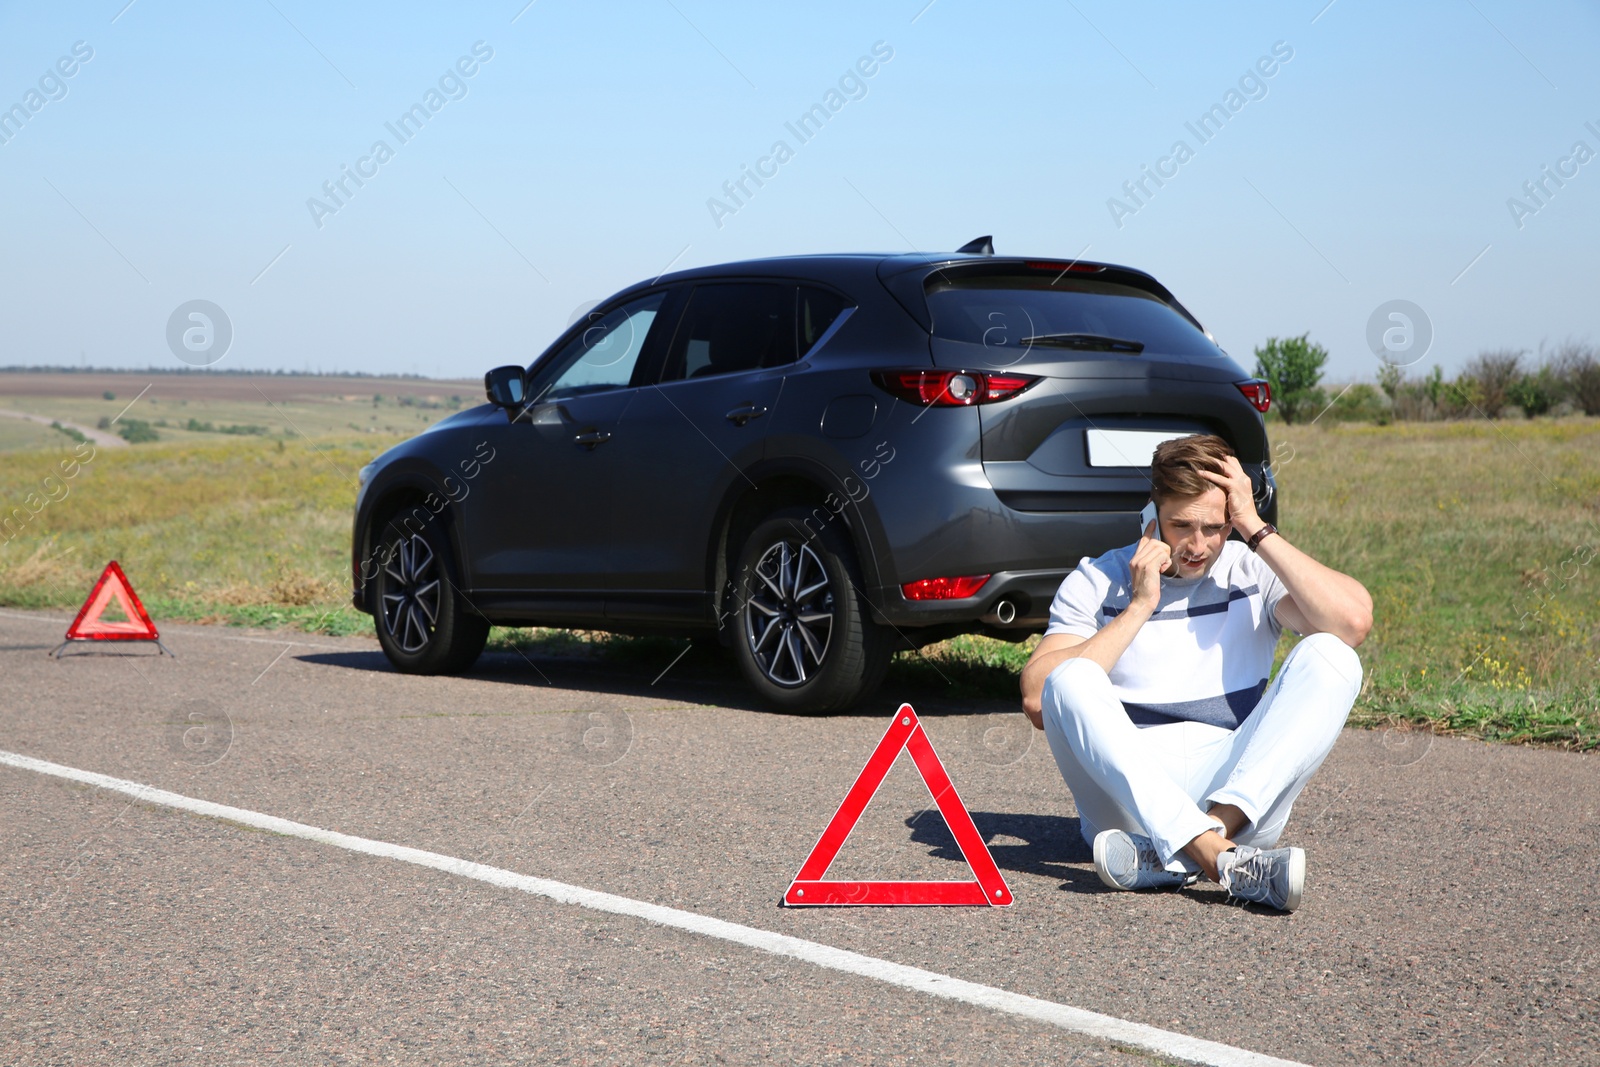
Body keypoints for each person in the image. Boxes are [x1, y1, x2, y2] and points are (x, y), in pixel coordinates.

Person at [1019, 434, 1372, 911]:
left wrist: (1255, 527)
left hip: (1239, 798)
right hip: (1127, 806)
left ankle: (1191, 850)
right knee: (1068, 677)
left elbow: (1352, 623)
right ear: (1151, 515)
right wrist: (1141, 605)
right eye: (1181, 525)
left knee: (1333, 655)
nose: (1198, 545)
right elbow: (1040, 699)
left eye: (1215, 526)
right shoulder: (1097, 579)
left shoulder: (1252, 569)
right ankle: (1219, 858)